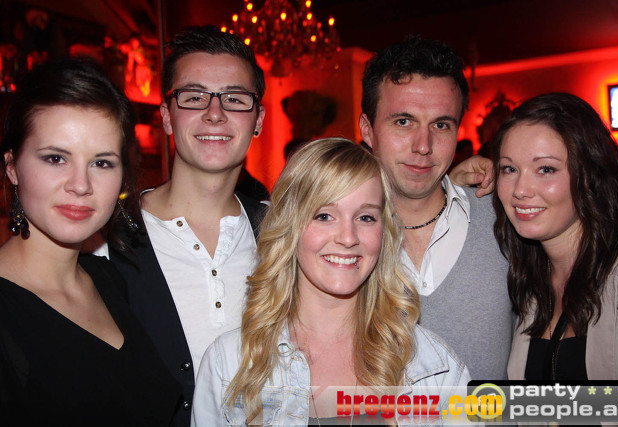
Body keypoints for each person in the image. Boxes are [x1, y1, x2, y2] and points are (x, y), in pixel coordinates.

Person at [192, 138, 470, 425]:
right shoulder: (229, 364)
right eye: (324, 216)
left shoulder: (433, 366)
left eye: (365, 217)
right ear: (289, 226)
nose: (348, 238)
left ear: (384, 232)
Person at [95, 26, 267, 426]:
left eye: (234, 98)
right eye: (194, 97)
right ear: (167, 117)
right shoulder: (106, 241)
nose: (215, 113)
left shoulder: (284, 233)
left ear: (258, 120)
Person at [0, 58, 180, 425]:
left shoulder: (108, 277)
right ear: (12, 167)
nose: (81, 185)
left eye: (101, 163)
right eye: (55, 158)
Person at [359, 35, 513, 380]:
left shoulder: (505, 219)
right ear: (368, 130)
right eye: (403, 122)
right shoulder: (333, 237)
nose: (423, 146)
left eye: (441, 125)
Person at [493, 92, 618, 383]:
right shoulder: (527, 283)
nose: (520, 189)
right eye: (509, 169)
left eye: (546, 169)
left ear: (590, 175)